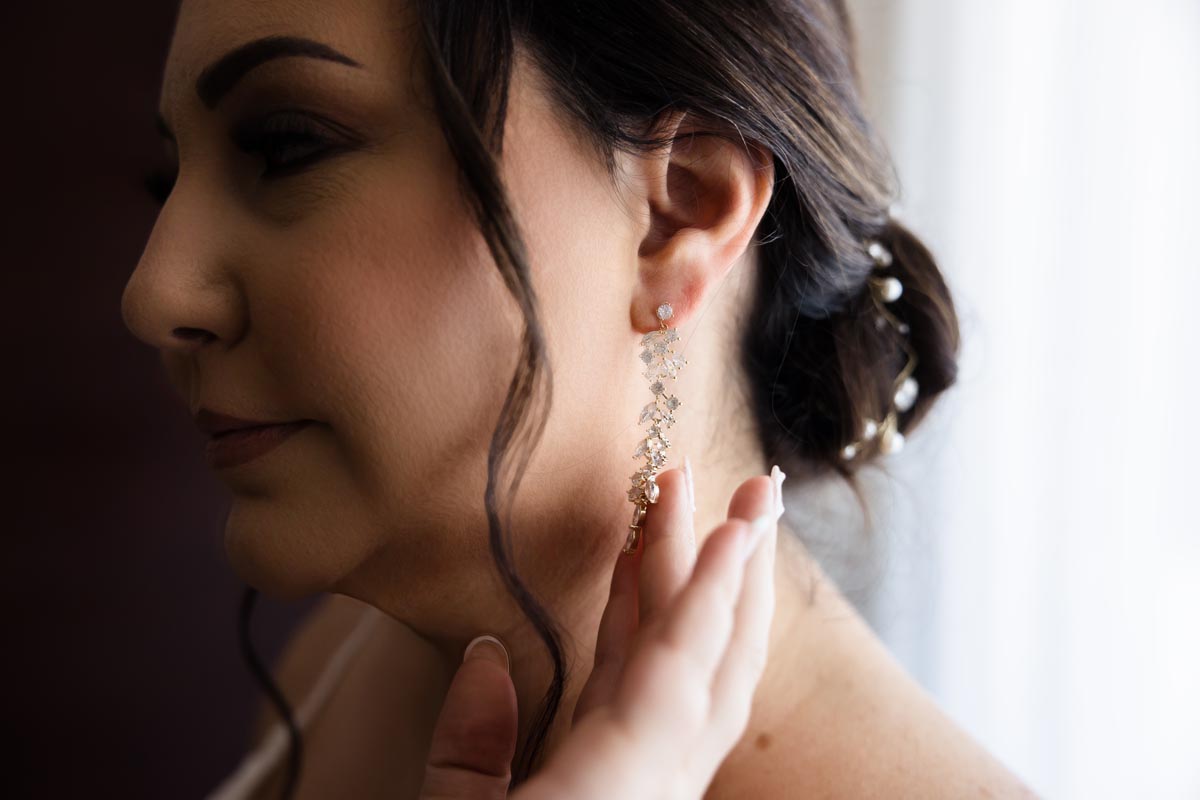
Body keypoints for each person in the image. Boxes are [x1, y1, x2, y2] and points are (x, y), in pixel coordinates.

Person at [123, 0, 1038, 796]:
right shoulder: (346, 668)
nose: (153, 294)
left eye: (286, 147)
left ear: (679, 211)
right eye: (170, 183)